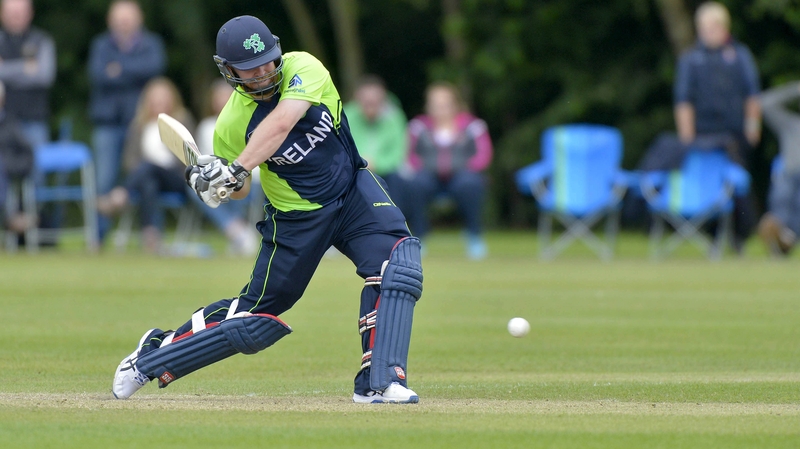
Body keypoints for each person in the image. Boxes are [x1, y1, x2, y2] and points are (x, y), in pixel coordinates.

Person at [111, 15, 422, 404]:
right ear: (229, 72)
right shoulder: (231, 124)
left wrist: (236, 167)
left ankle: (380, 381)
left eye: (268, 61)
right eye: (250, 68)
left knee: (398, 266)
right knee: (253, 316)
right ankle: (152, 354)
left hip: (353, 190)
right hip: (297, 219)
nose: (263, 72)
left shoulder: (303, 67)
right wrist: (219, 185)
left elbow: (282, 122)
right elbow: (239, 193)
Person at [673, 1, 761, 252]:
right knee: (709, 187)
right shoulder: (692, 59)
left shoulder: (740, 56)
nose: (705, 32)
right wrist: (686, 136)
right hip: (704, 138)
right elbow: (683, 101)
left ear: (723, 28)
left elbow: (752, 96)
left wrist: (753, 127)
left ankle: (740, 237)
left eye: (710, 27)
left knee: (738, 187)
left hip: (735, 136)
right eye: (702, 27)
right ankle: (712, 239)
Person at [88, 0, 165, 241]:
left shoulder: (152, 44)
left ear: (139, 18)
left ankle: (153, 236)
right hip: (107, 125)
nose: (123, 22)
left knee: (148, 176)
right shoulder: (100, 45)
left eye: (128, 17)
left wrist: (118, 69)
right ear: (110, 20)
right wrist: (134, 72)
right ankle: (97, 239)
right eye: (119, 17)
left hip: (142, 126)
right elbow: (98, 75)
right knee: (104, 181)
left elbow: (155, 69)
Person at [96, 77, 193, 254]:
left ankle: (120, 194)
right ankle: (151, 238)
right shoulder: (139, 125)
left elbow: (188, 158)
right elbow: (129, 160)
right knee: (148, 182)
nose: (159, 103)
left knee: (149, 167)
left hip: (177, 177)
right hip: (147, 178)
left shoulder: (182, 120)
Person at [404, 81, 493, 260]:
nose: (440, 109)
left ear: (455, 104)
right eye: (435, 104)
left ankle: (474, 236)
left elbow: (484, 155)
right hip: (429, 177)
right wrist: (427, 167)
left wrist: (461, 167)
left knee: (471, 184)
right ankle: (419, 237)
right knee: (414, 184)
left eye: (444, 104)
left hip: (461, 176)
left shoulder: (473, 126)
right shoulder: (418, 126)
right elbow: (410, 155)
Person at [194, 78, 259, 256]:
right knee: (197, 188)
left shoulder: (249, 120)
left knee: (236, 181)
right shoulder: (206, 126)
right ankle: (237, 231)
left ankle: (240, 235)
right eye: (218, 97)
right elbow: (204, 161)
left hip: (252, 181)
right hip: (219, 182)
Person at [343, 75, 409, 204]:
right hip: (353, 170)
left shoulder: (394, 117)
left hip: (386, 172)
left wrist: (376, 164)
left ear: (383, 98)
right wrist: (361, 163)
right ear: (357, 98)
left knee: (398, 178)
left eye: (374, 101)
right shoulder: (345, 115)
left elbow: (399, 153)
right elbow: (339, 148)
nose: (370, 104)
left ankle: (396, 219)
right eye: (366, 101)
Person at [0, 0, 55, 149]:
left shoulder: (42, 40)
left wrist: (5, 69)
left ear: (30, 13)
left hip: (34, 121)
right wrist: (26, 68)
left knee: (36, 169)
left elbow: (45, 76)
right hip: (3, 121)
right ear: (2, 14)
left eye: (20, 12)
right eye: (12, 13)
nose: (16, 16)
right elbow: (33, 74)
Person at [756, 81, 800, 256]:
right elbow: (765, 103)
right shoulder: (792, 125)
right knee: (783, 190)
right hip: (789, 175)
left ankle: (786, 237)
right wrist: (795, 90)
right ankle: (780, 231)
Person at [0, 80, 34, 236]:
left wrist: (9, 166)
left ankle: (6, 216)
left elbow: (28, 155)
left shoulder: (11, 125)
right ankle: (9, 218)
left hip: (7, 173)